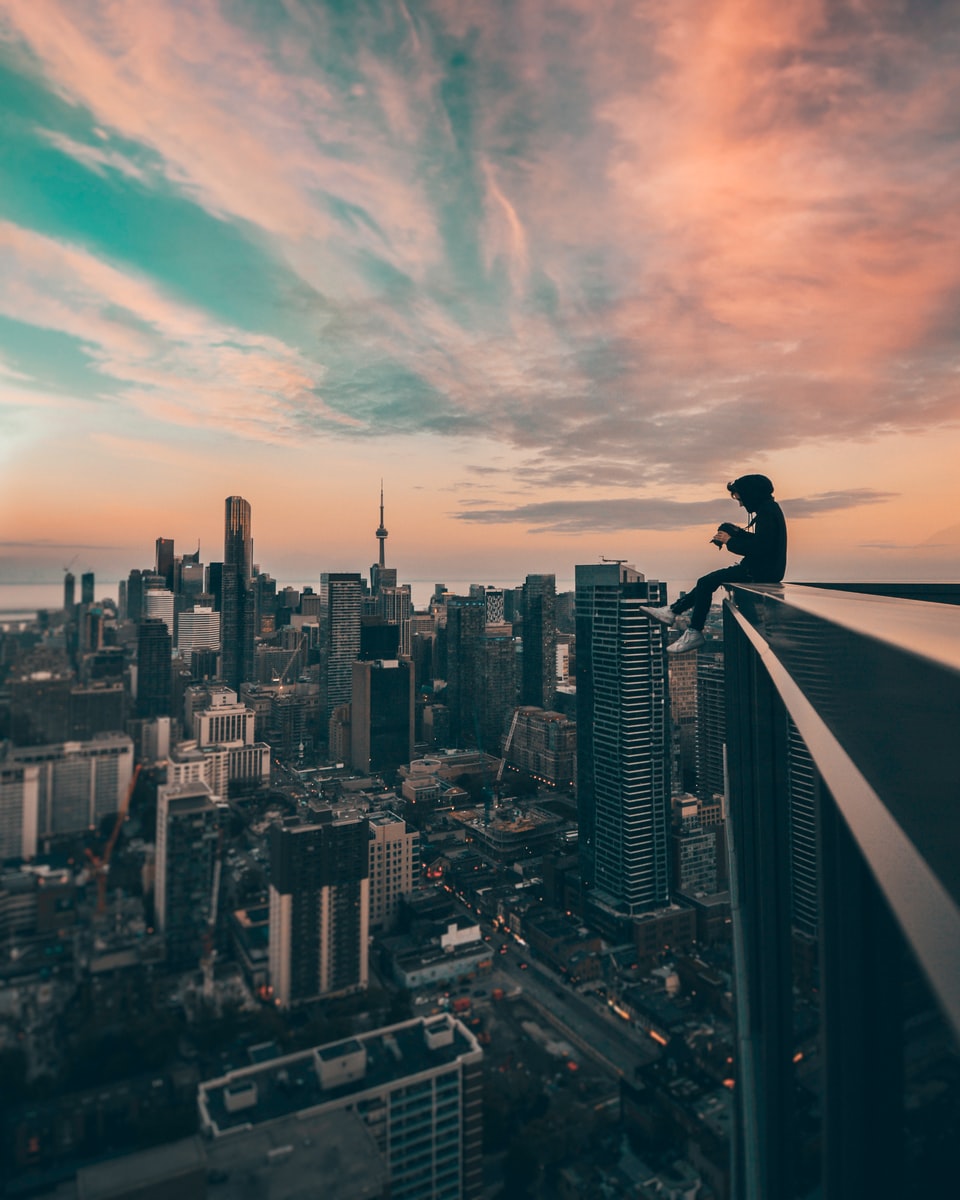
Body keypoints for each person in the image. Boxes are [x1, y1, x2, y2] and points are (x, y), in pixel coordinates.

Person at [641, 473, 787, 653]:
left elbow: (761, 547)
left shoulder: (767, 513)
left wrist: (729, 541)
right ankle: (673, 612)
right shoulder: (769, 509)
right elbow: (763, 542)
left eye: (741, 499)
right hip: (761, 570)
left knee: (706, 582)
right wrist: (736, 532)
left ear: (751, 495)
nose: (741, 504)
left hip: (759, 572)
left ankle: (690, 627)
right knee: (706, 582)